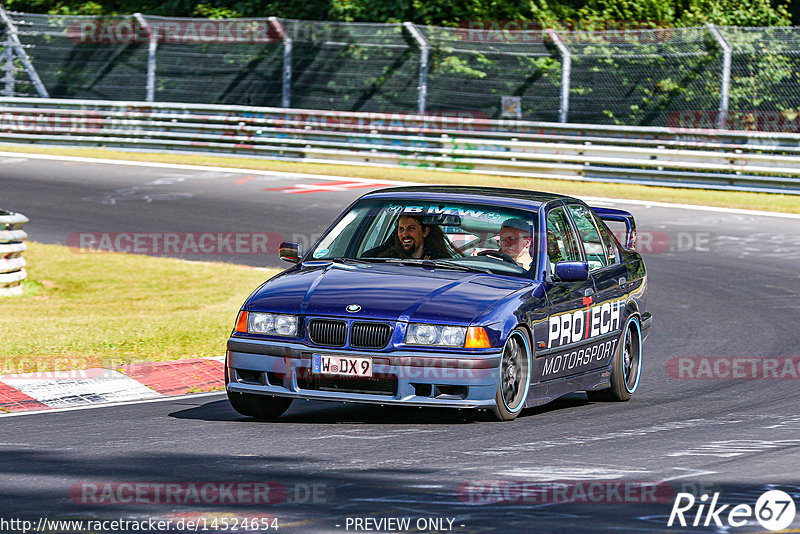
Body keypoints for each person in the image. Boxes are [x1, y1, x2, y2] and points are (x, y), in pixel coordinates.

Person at [378, 214, 452, 259]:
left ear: (425, 232)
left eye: (411, 228)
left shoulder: (441, 262)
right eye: (401, 229)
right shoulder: (386, 260)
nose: (405, 234)